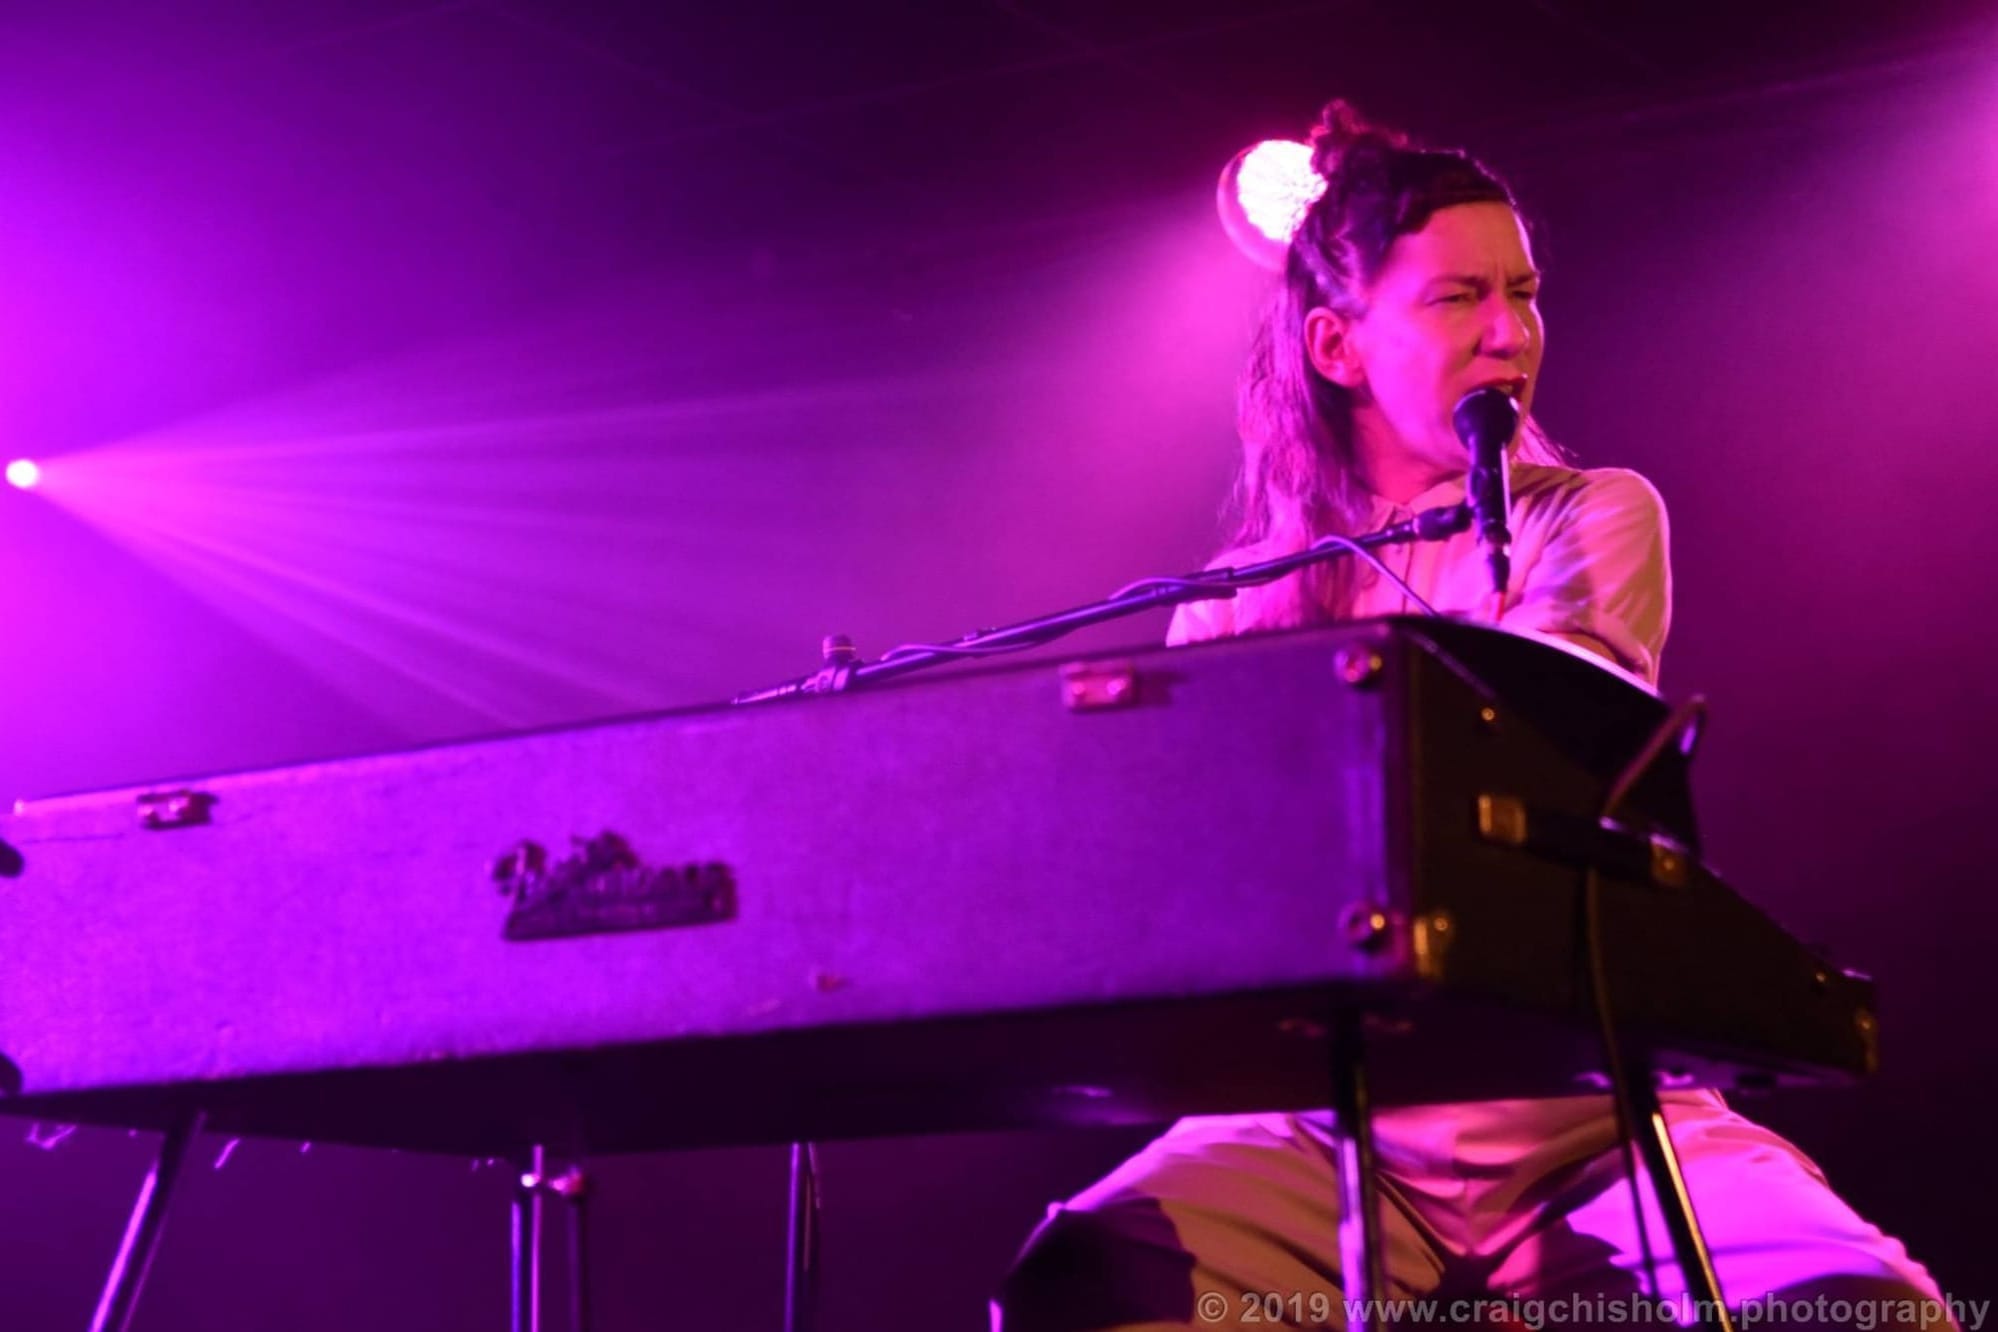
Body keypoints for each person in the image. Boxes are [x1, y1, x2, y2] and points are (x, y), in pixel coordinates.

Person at [990, 101, 1951, 1332]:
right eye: (1457, 299)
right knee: (1082, 1283)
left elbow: (1529, 764)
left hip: (1581, 1112)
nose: (1511, 332)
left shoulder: (1591, 514)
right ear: (1337, 347)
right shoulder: (1229, 611)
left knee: (1867, 1307)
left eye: (1525, 292)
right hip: (1317, 1117)